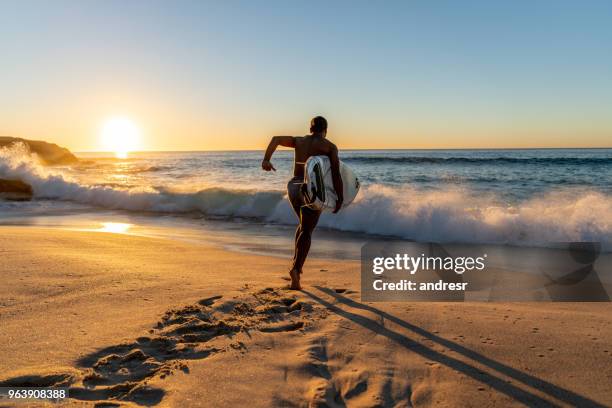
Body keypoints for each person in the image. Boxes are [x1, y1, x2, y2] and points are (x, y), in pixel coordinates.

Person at [262, 116, 343, 290]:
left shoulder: (299, 141)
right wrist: (340, 197)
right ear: (326, 130)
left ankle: (295, 266)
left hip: (293, 186)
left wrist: (266, 159)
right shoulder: (329, 147)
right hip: (310, 190)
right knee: (307, 229)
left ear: (310, 128)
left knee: (303, 225)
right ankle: (296, 271)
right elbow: (335, 174)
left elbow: (275, 139)